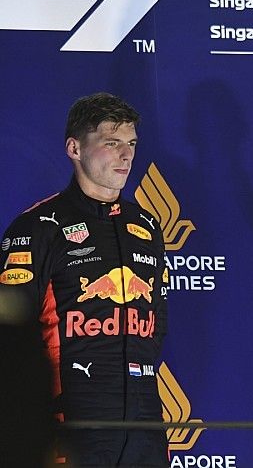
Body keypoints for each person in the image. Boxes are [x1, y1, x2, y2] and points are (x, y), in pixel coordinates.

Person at [0, 92, 169, 467]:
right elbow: (12, 339)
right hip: (72, 416)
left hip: (144, 418)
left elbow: (156, 320)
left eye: (131, 144)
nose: (126, 156)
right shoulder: (39, 226)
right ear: (75, 148)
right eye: (112, 143)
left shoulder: (146, 224)